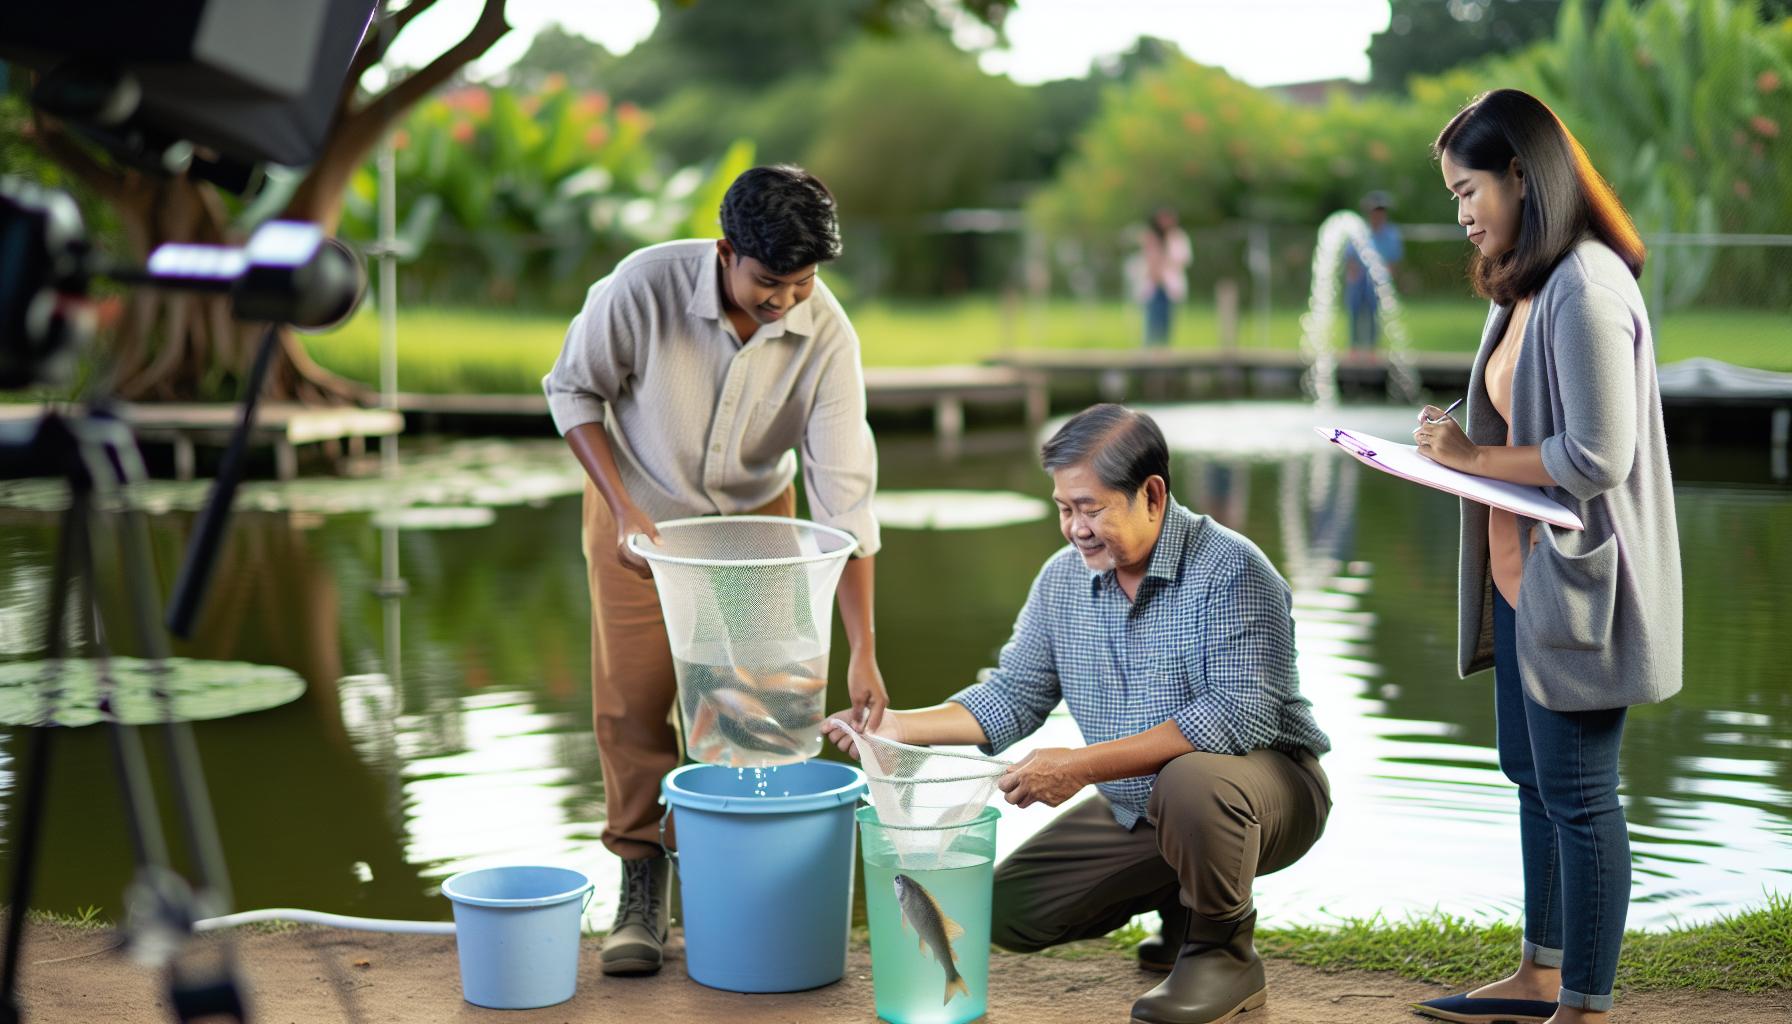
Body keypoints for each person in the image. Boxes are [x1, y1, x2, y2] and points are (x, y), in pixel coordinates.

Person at [824, 404, 1332, 1024]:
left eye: (1091, 507)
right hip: (1142, 802)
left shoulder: (1233, 569)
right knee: (1010, 910)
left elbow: (1233, 720)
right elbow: (1013, 694)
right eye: (1065, 509)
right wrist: (896, 727)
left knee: (1193, 781)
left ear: (1151, 494)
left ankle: (1223, 953)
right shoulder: (1062, 581)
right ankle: (1182, 911)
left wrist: (1080, 767)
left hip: (1268, 792)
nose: (1076, 528)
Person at [542, 164, 889, 977]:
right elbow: (572, 390)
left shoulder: (827, 334)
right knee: (635, 702)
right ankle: (640, 881)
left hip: (758, 529)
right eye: (770, 281)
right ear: (728, 251)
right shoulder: (643, 287)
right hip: (641, 518)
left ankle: (747, 890)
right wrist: (623, 507)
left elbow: (846, 503)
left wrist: (864, 648)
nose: (785, 301)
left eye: (802, 283)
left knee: (760, 709)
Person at [1409, 89, 1681, 1024]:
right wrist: (1456, 439)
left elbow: (1599, 455)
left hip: (1579, 587)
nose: (1462, 213)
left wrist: (1475, 458)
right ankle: (1538, 972)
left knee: (1581, 795)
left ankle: (1587, 1005)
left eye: (1467, 188)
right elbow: (1523, 418)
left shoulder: (1587, 286)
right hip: (1524, 586)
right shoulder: (1529, 282)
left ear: (1522, 175)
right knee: (1532, 780)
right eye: (1452, 197)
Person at [1343, 190, 1403, 353]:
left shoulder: (1391, 234)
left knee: (1374, 313)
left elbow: (1393, 261)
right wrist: (1353, 276)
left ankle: (1372, 349)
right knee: (1355, 312)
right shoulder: (1360, 231)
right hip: (1360, 277)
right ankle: (1354, 348)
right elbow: (1351, 258)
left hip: (1378, 278)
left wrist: (1387, 280)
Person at [1133, 207, 1193, 347]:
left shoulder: (1178, 237)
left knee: (1168, 319)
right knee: (1151, 319)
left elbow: (1182, 259)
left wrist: (1162, 263)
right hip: (1153, 284)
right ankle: (1150, 347)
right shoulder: (1150, 236)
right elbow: (1145, 259)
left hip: (1169, 285)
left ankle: (1164, 348)